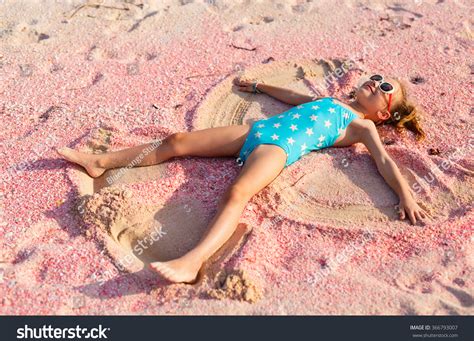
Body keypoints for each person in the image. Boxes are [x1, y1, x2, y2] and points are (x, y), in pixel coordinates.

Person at [57, 74, 430, 284]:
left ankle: (192, 261)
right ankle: (99, 161)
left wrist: (405, 196)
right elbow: (294, 97)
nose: (376, 83)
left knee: (237, 191)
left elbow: (383, 162)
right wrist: (261, 87)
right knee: (178, 141)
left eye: (385, 90)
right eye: (377, 78)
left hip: (279, 149)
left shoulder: (362, 126)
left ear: (383, 115)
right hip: (255, 130)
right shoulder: (331, 101)